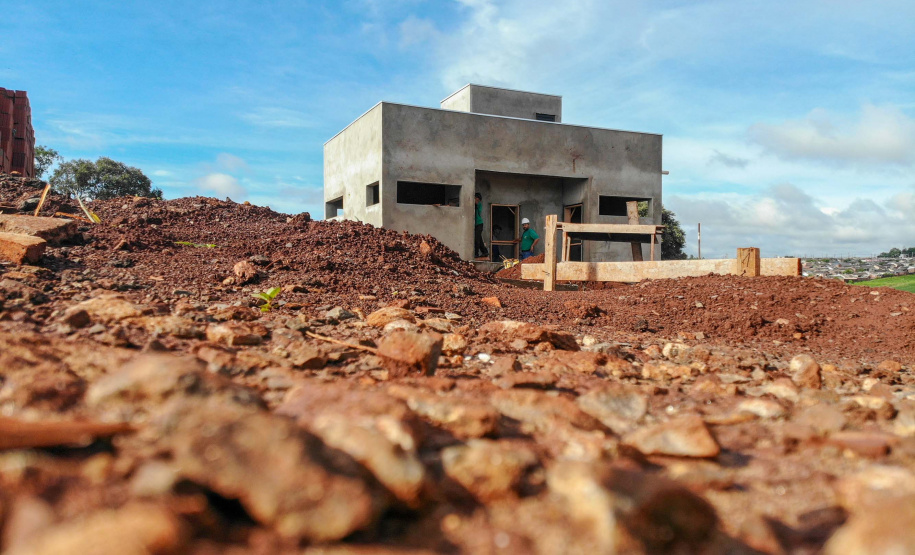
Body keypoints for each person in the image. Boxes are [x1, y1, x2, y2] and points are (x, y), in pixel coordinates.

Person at [474, 193, 489, 259]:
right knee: (479, 239)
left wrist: (476, 204)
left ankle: (476, 254)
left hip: (479, 224)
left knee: (477, 239)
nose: (477, 201)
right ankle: (485, 252)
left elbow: (479, 211)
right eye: (476, 199)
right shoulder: (474, 203)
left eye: (478, 200)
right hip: (476, 224)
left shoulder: (478, 204)